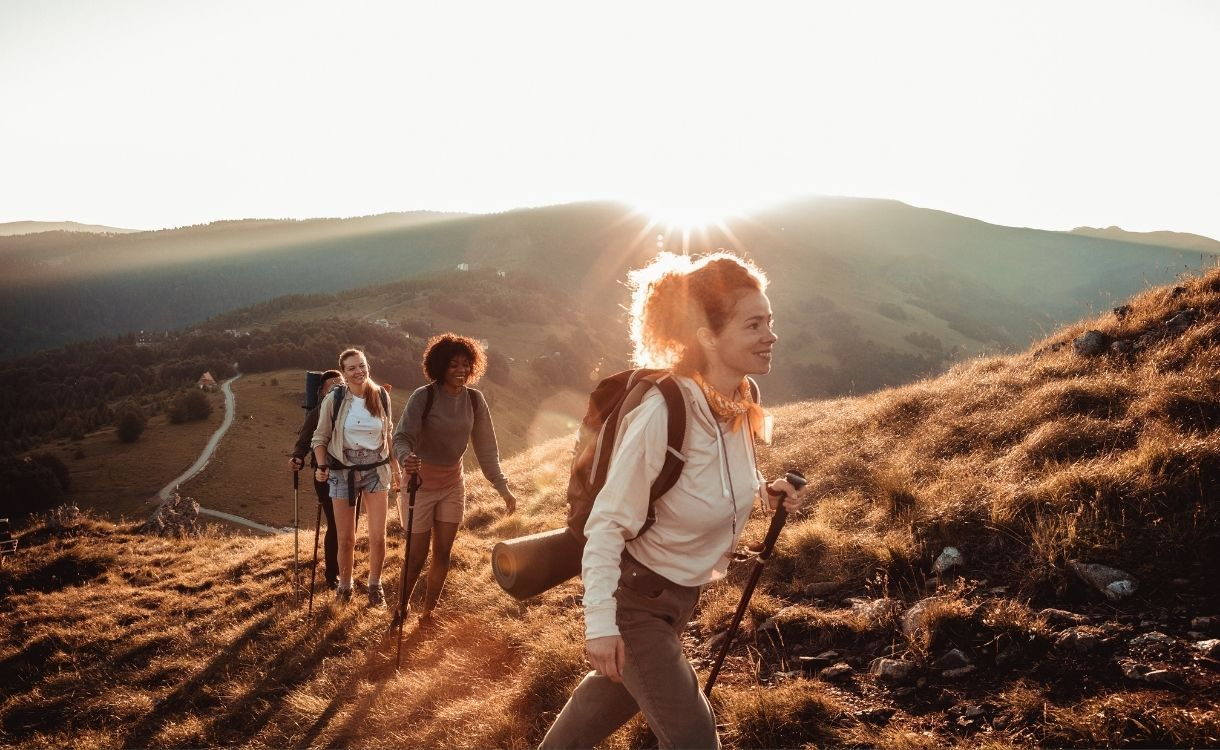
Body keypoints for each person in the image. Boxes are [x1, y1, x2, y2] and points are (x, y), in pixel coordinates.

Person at [539, 251, 807, 749]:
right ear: (708, 335)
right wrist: (600, 624)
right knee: (695, 739)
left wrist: (764, 493)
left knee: (601, 707)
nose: (770, 335)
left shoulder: (738, 401)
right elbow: (606, 526)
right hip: (635, 601)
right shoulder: (664, 410)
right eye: (753, 325)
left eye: (770, 321)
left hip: (677, 601)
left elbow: (712, 480)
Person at [392, 333, 517, 624]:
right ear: (439, 367)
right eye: (453, 365)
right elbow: (402, 437)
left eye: (465, 364)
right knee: (416, 556)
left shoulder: (475, 400)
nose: (461, 370)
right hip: (419, 486)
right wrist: (405, 458)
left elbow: (487, 449)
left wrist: (503, 488)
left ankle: (428, 612)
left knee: (443, 551)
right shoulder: (424, 396)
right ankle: (401, 608)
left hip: (451, 485)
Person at [311, 349, 399, 607]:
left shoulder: (381, 395)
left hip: (376, 470)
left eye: (361, 365)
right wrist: (321, 464)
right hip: (342, 472)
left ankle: (375, 586)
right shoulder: (335, 398)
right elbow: (320, 437)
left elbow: (388, 434)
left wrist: (396, 469)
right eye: (352, 368)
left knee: (378, 536)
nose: (358, 371)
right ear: (344, 373)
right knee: (345, 538)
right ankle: (345, 587)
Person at [289, 368, 343, 590]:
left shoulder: (351, 408)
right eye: (331, 385)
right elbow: (304, 440)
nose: (337, 388)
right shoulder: (318, 412)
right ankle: (333, 575)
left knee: (349, 526)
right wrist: (297, 457)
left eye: (340, 384)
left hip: (351, 475)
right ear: (321, 391)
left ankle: (342, 569)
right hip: (324, 474)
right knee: (337, 525)